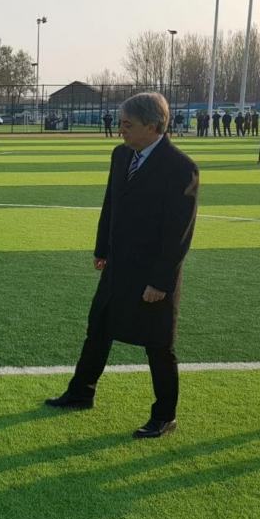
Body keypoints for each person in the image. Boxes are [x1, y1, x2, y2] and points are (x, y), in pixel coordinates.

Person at [45, 92, 199, 439]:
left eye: (127, 125)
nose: (120, 130)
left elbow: (179, 233)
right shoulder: (121, 156)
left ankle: (165, 415)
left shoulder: (180, 167)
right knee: (98, 328)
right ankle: (82, 390)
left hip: (153, 274)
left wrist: (160, 281)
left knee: (159, 345)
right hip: (118, 266)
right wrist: (102, 247)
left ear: (153, 125)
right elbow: (110, 203)